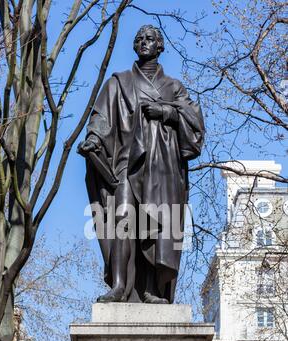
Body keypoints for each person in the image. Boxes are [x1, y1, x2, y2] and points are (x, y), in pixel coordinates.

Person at [77, 25, 205, 304]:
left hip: (162, 169)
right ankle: (120, 286)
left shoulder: (174, 87)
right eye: (139, 39)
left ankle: (152, 290)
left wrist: (167, 112)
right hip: (126, 164)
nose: (144, 42)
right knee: (122, 217)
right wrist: (93, 139)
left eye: (150, 39)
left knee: (155, 225)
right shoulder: (118, 82)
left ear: (160, 46)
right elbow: (101, 119)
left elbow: (195, 127)